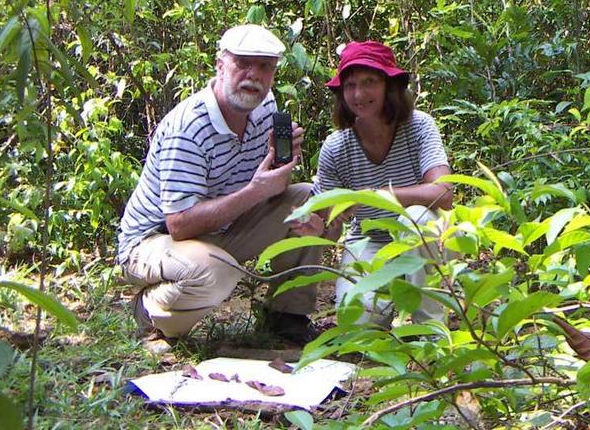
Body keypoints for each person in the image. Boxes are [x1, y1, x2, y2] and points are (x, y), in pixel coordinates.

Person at [118, 24, 320, 344]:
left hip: (220, 232)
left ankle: (286, 315)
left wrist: (280, 167)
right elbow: (179, 225)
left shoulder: (266, 108)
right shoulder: (189, 127)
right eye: (243, 64)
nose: (253, 76)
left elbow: (274, 189)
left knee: (308, 201)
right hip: (152, 242)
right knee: (217, 272)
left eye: (265, 67)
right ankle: (150, 310)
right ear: (221, 66)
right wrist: (257, 190)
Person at [292, 41, 453, 326]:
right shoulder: (337, 146)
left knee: (416, 218)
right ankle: (387, 303)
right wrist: (318, 228)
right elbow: (331, 223)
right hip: (371, 242)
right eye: (350, 85)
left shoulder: (418, 126)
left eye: (369, 82)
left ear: (389, 87)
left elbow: (443, 194)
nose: (359, 94)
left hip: (424, 236)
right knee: (356, 323)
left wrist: (375, 196)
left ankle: (429, 327)